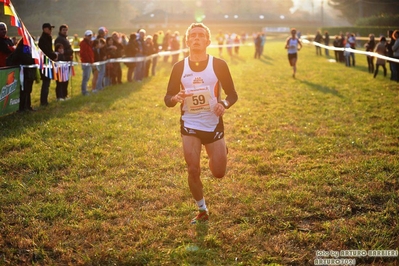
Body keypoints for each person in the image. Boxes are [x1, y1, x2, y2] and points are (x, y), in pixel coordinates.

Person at [164, 23, 238, 224]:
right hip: (190, 123)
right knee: (193, 169)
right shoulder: (179, 67)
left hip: (213, 123)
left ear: (208, 41)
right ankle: (202, 209)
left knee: (219, 173)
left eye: (200, 35)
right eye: (193, 35)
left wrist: (224, 104)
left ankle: (220, 150)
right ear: (187, 41)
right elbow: (168, 98)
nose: (196, 38)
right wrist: (175, 98)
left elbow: (232, 94)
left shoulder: (219, 65)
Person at [6, 39, 37, 112]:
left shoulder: (29, 49)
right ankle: (22, 108)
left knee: (28, 90)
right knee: (24, 90)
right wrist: (34, 59)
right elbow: (27, 59)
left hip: (29, 72)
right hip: (23, 73)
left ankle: (28, 106)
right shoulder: (22, 49)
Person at [38, 23, 58, 106]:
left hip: (47, 61)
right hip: (45, 62)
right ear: (45, 29)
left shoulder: (47, 38)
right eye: (49, 28)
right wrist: (54, 55)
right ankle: (43, 101)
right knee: (46, 82)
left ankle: (44, 100)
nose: (51, 30)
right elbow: (46, 51)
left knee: (47, 82)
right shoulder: (43, 39)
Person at [54, 24, 73, 99]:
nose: (65, 31)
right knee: (60, 80)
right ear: (60, 31)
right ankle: (59, 96)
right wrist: (68, 51)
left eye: (66, 30)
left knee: (65, 80)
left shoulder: (66, 39)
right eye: (63, 30)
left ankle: (65, 95)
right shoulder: (59, 39)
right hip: (61, 62)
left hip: (66, 62)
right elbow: (59, 50)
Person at [79, 30, 94, 95]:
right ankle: (84, 91)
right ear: (85, 36)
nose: (90, 37)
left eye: (90, 35)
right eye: (88, 36)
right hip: (86, 63)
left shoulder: (90, 43)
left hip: (89, 62)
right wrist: (89, 60)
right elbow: (83, 53)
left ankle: (85, 90)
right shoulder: (83, 43)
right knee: (85, 77)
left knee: (87, 77)